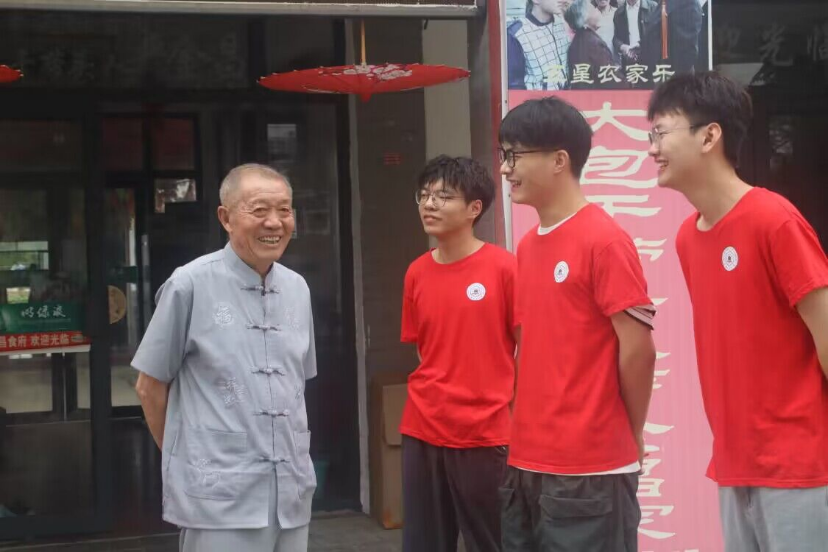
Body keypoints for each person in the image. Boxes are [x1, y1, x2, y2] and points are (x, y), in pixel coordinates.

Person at [647, 72, 828, 552]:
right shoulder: (688, 238)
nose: (653, 149)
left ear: (710, 136)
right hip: (734, 466)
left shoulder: (774, 220)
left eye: (661, 132)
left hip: (799, 469)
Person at [498, 97, 656, 551]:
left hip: (590, 471)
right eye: (504, 156)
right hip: (526, 462)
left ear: (559, 160)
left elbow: (638, 350)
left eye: (514, 155)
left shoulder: (604, 240)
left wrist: (632, 430)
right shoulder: (527, 246)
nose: (505, 169)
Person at [133, 164, 317, 552]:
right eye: (259, 210)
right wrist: (190, 461)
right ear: (226, 218)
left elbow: (297, 384)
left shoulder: (298, 289)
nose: (274, 222)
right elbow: (149, 387)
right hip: (220, 501)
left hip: (292, 493)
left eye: (284, 210)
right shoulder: (189, 284)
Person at [401, 156, 517, 552]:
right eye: (424, 195)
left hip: (484, 433)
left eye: (443, 196)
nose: (429, 204)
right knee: (425, 543)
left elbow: (528, 348)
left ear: (474, 208)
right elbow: (423, 350)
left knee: (492, 541)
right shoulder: (416, 272)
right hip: (422, 427)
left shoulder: (504, 268)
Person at [507, 0, 573, 90]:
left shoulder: (562, 24)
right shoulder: (518, 33)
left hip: (566, 96)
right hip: (538, 98)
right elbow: (515, 86)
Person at [565, 0, 617, 89]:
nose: (597, 11)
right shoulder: (594, 44)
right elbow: (611, 79)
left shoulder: (579, 40)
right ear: (585, 20)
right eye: (593, 9)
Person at [612, 0, 657, 73]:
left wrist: (640, 45)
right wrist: (622, 46)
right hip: (629, 61)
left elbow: (658, 34)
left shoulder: (652, 7)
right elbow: (616, 38)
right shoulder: (619, 12)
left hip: (650, 60)